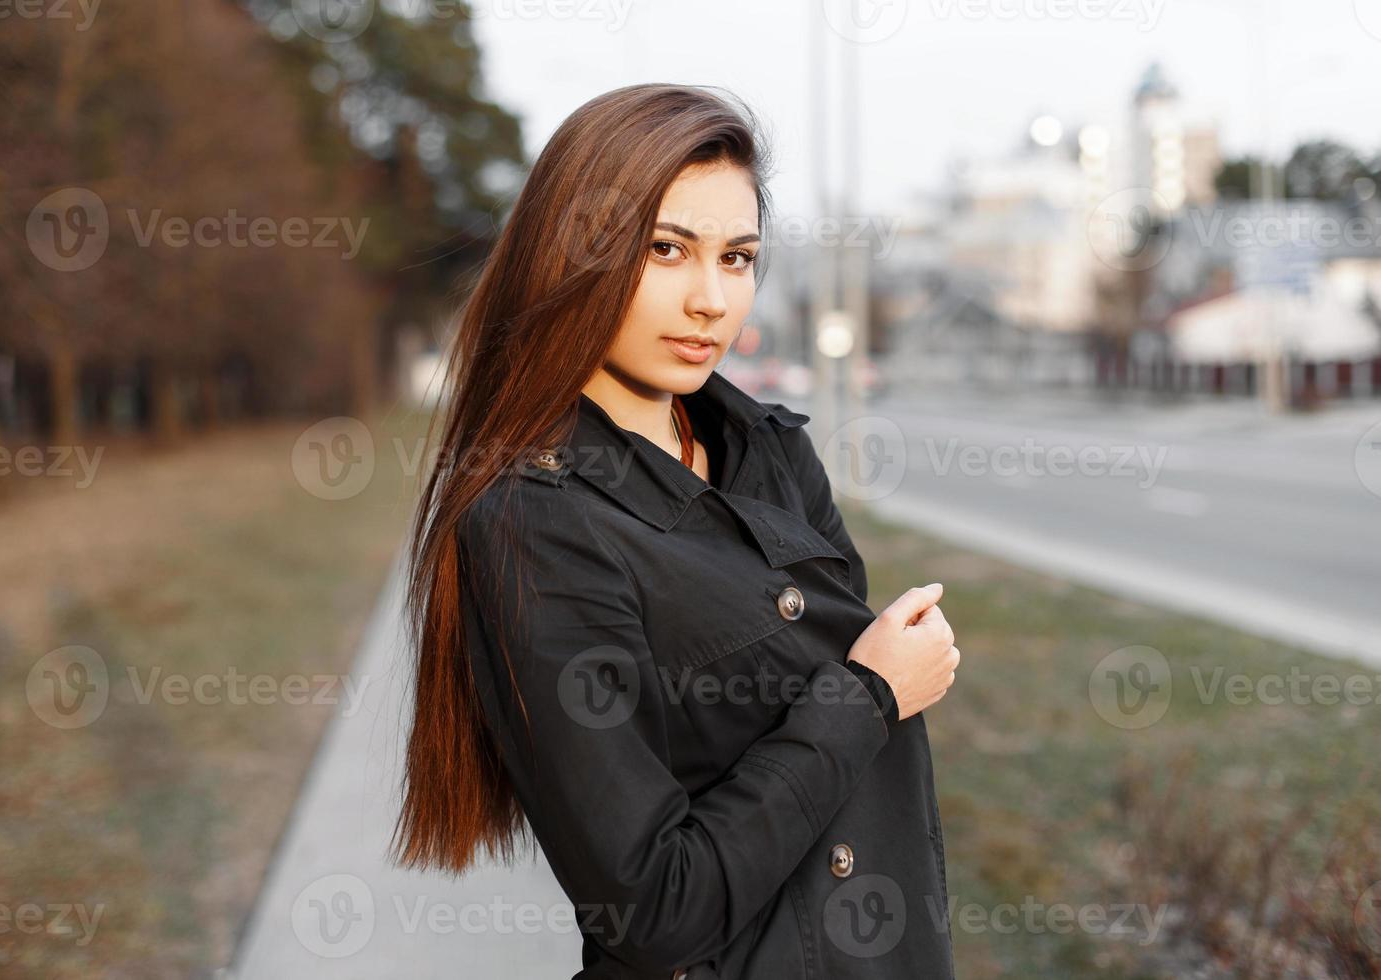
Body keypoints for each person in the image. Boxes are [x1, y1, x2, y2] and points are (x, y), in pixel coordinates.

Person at [391, 82, 961, 979]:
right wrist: (871, 694)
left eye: (737, 258)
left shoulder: (769, 452)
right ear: (572, 254)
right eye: (666, 250)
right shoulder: (537, 523)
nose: (711, 300)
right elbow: (654, 906)